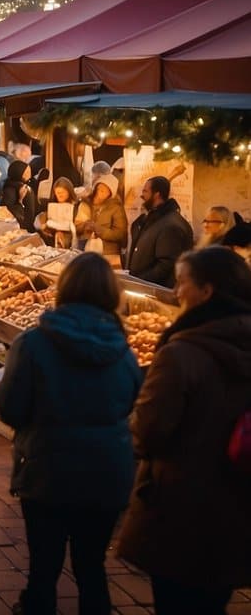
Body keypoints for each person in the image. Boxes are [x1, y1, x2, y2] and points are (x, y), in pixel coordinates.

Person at [0, 252, 143, 615]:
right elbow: (130, 404)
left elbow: (10, 408)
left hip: (48, 470)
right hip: (108, 473)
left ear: (63, 288)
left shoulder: (33, 343)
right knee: (92, 568)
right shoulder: (124, 351)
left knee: (43, 568)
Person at [117, 246, 251, 613]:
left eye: (182, 283)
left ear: (206, 292)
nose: (176, 292)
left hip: (181, 507)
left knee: (177, 603)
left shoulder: (181, 354)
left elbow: (147, 432)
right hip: (238, 502)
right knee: (213, 602)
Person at [127, 176, 194, 288]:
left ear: (157, 194)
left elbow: (166, 264)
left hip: (157, 290)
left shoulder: (171, 225)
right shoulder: (151, 219)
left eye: (145, 191)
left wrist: (139, 282)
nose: (142, 195)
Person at [75, 173, 126, 258]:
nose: (100, 192)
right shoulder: (86, 204)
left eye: (105, 190)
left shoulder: (116, 208)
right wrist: (84, 226)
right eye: (99, 188)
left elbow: (120, 234)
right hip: (87, 250)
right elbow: (77, 228)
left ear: (110, 194)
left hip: (108, 253)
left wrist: (100, 230)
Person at [37, 177, 79, 248]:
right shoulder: (52, 205)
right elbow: (44, 221)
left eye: (62, 192)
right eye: (58, 193)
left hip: (70, 238)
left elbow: (77, 226)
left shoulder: (76, 206)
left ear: (69, 192)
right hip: (52, 238)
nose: (60, 195)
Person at [1, 160, 36, 231]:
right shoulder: (21, 189)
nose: (30, 174)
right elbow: (8, 212)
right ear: (19, 173)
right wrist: (20, 202)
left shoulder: (9, 183)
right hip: (20, 228)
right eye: (27, 172)